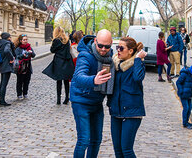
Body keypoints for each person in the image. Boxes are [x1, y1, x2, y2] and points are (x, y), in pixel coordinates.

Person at [70, 29, 114, 158]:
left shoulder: (110, 57)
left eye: (107, 46)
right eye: (100, 45)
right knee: (84, 140)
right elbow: (78, 77)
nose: (103, 49)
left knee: (96, 140)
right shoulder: (85, 55)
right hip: (81, 101)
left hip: (97, 101)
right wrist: (94, 80)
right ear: (95, 41)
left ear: (111, 43)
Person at [108, 37, 147, 158]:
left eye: (121, 48)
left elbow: (137, 78)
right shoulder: (115, 64)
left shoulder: (137, 64)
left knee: (126, 149)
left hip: (131, 113)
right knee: (118, 150)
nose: (118, 50)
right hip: (116, 111)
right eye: (117, 47)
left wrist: (137, 60)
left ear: (130, 51)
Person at [43, 26, 75, 105]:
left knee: (59, 81)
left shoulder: (56, 40)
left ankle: (58, 99)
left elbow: (52, 50)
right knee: (66, 81)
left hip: (59, 62)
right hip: (67, 61)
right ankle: (67, 97)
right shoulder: (67, 40)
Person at [176, 58, 192, 129]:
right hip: (183, 94)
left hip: (189, 94)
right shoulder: (185, 74)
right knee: (186, 108)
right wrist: (181, 91)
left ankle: (187, 121)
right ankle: (185, 123)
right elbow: (178, 82)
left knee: (189, 108)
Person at [14, 34, 36, 100]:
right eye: (24, 40)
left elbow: (34, 55)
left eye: (26, 39)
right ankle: (19, 94)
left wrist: (31, 53)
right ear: (21, 41)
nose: (25, 41)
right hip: (20, 67)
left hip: (28, 66)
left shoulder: (29, 47)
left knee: (27, 81)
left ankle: (25, 93)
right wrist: (23, 55)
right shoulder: (18, 48)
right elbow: (16, 57)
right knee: (20, 81)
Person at [0, 32, 16, 106]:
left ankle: (1, 99)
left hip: (2, 64)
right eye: (10, 37)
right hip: (6, 64)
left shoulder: (1, 43)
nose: (10, 38)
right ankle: (2, 101)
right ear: (7, 37)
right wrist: (11, 58)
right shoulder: (7, 43)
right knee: (4, 83)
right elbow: (7, 50)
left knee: (2, 83)